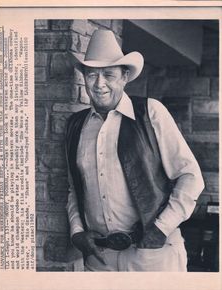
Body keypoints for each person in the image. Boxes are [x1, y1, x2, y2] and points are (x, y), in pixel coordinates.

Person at [65, 29, 204, 271]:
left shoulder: (151, 112)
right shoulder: (75, 125)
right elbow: (73, 189)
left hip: (152, 256)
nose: (99, 84)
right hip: (100, 259)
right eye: (91, 75)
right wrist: (77, 232)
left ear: (125, 77)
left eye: (108, 74)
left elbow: (190, 177)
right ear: (84, 78)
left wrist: (161, 229)